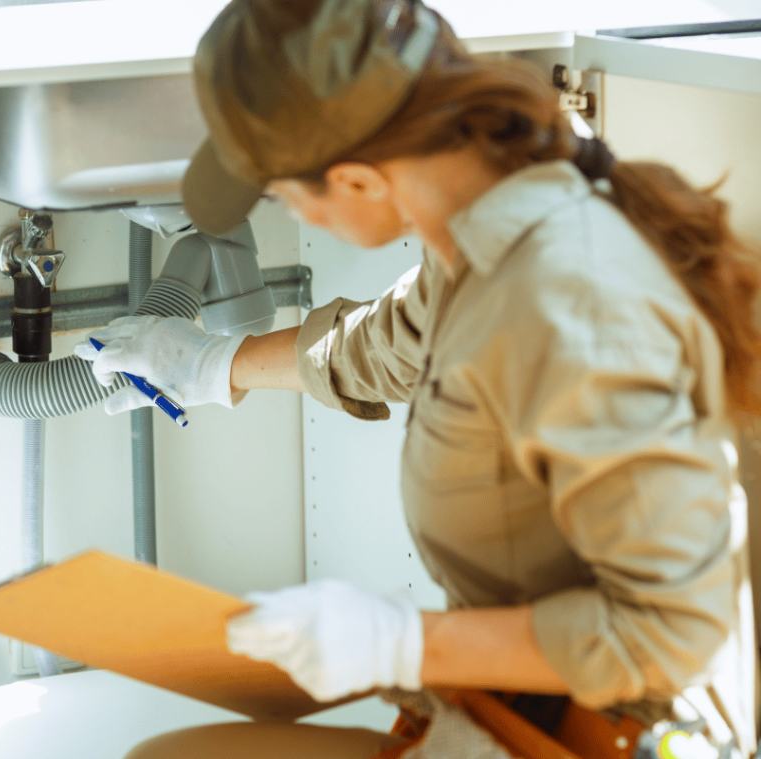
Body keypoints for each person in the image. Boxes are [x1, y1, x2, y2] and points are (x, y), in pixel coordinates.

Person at [75, 1, 761, 757]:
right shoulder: (493, 216)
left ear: (361, 181)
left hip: (615, 733)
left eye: (282, 190)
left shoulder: (571, 305)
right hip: (524, 706)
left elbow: (672, 634)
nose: (285, 208)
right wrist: (209, 364)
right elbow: (395, 339)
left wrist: (402, 644)